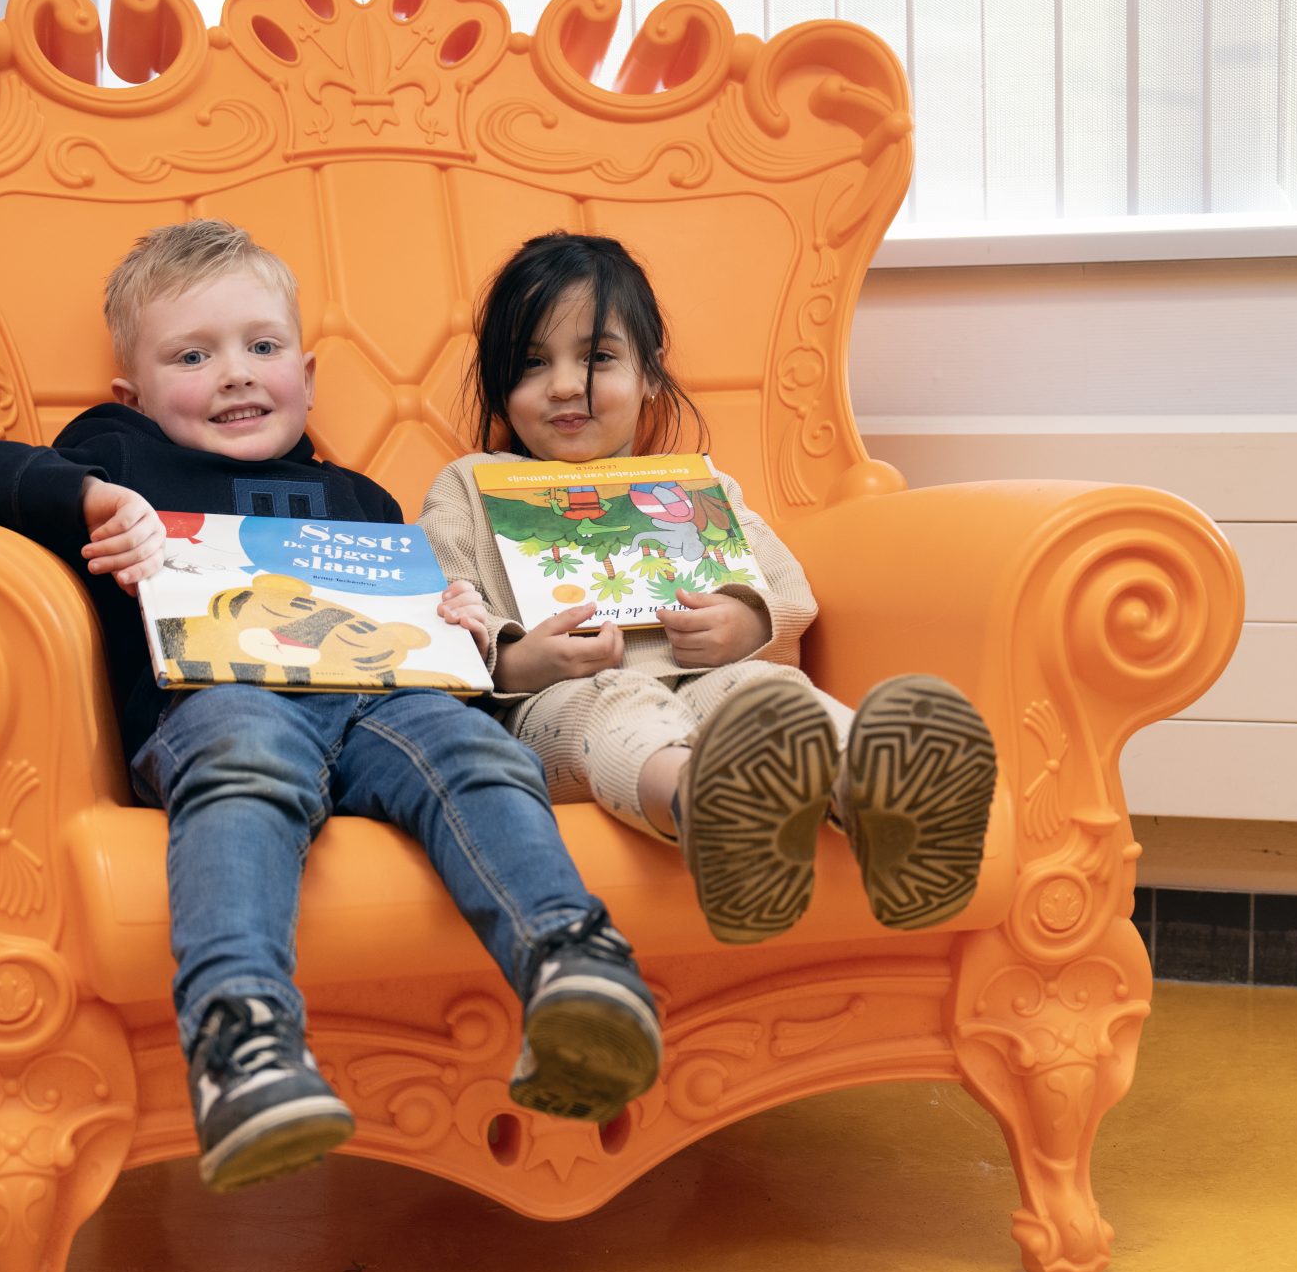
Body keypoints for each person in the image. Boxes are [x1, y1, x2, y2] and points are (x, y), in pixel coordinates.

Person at [0, 219, 660, 1191]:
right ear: (136, 392)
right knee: (248, 748)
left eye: (262, 347)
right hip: (218, 702)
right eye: (193, 356)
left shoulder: (362, 500)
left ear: (308, 374)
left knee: (473, 747)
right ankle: (241, 1037)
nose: (236, 374)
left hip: (378, 705)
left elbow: (436, 662)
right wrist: (84, 501)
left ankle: (573, 966)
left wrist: (457, 626)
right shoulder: (116, 457)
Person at [421, 232, 998, 946]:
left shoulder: (698, 486)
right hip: (552, 710)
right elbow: (442, 626)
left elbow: (787, 588)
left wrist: (747, 623)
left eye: (597, 357)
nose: (566, 384)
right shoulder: (467, 486)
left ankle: (893, 807)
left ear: (650, 376)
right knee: (613, 700)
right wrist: (515, 662)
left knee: (765, 692)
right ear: (503, 385)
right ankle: (712, 816)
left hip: (709, 680)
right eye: (534, 363)